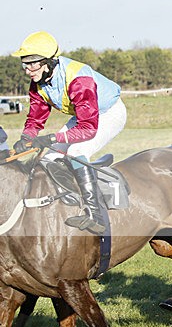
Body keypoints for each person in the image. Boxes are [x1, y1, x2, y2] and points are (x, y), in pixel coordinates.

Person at [11, 31, 126, 235]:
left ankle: (95, 215)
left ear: (49, 62)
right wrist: (26, 138)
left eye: (32, 64)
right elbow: (36, 116)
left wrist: (55, 137)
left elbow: (88, 129)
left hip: (108, 113)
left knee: (76, 150)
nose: (28, 70)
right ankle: (68, 202)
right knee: (48, 158)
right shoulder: (38, 83)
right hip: (83, 115)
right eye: (25, 64)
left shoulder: (79, 80)